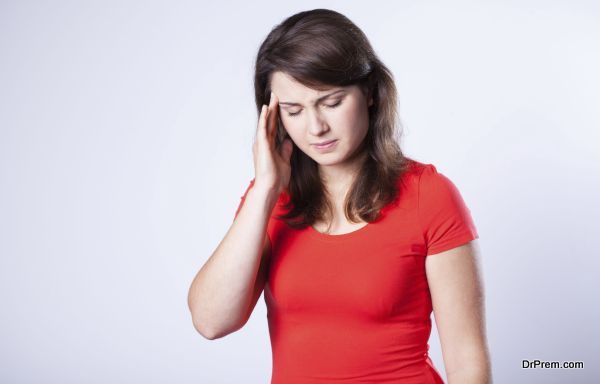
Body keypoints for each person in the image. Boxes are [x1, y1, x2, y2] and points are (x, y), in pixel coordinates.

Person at [188, 8, 492, 384]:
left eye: (331, 102)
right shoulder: (267, 202)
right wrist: (265, 189)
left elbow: (467, 363)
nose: (316, 127)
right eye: (293, 110)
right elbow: (211, 321)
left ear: (369, 93)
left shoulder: (428, 196)